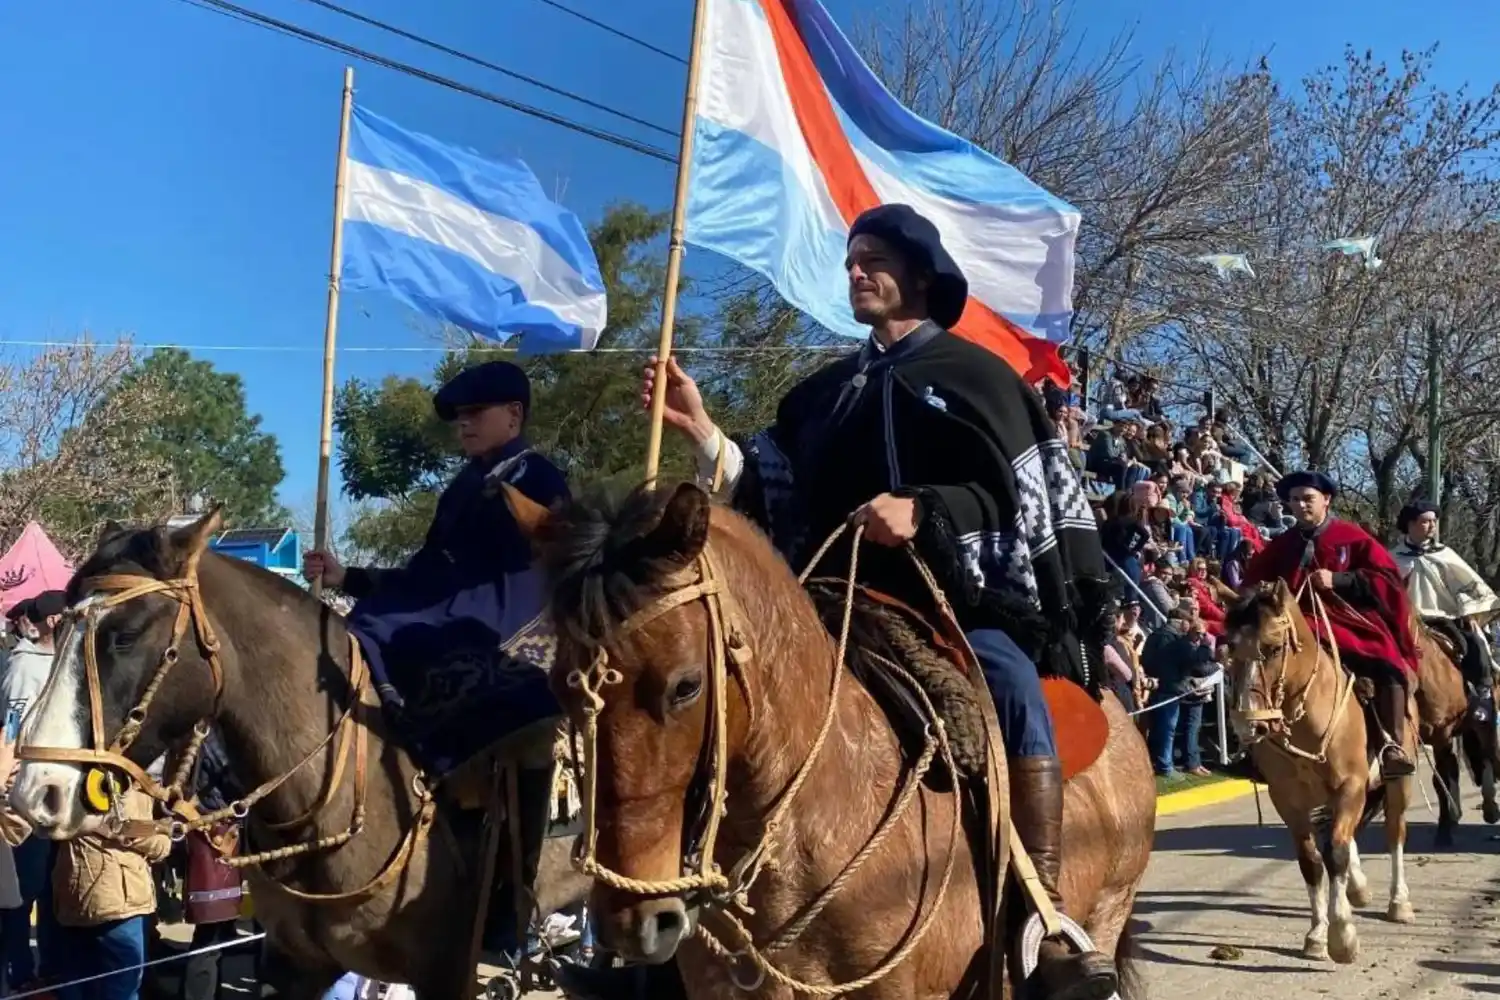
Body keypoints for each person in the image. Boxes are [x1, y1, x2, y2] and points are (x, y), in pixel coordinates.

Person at [601, 203, 1120, 1000]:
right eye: (850, 260)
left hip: (952, 602)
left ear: (919, 274)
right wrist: (703, 431)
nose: (856, 272)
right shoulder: (825, 394)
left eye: (873, 259)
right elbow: (773, 493)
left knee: (1011, 684)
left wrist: (928, 509)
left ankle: (1041, 917)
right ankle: (664, 929)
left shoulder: (976, 376)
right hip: (828, 604)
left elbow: (1024, 500)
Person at [302, 360, 569, 776]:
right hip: (449, 607)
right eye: (459, 418)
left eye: (475, 414)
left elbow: (555, 564)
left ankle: (420, 766)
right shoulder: (462, 486)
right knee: (365, 625)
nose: (463, 426)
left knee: (392, 631)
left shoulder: (539, 477)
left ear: (514, 415)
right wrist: (346, 577)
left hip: (509, 622)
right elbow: (426, 572)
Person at [1243, 471, 1419, 777]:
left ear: (1326, 500)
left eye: (1308, 499)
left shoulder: (1353, 537)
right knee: (1260, 664)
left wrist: (1339, 579)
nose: (1301, 505)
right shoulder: (1281, 545)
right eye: (1295, 500)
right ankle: (1259, 747)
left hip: (1347, 618)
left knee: (1387, 662)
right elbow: (1252, 583)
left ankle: (1391, 744)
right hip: (1296, 622)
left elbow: (1388, 579)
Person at [0, 591, 66, 993]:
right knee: (24, 890)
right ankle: (22, 971)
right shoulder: (26, 666)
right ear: (55, 621)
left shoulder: (64, 663)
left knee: (52, 890)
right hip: (29, 798)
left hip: (61, 797)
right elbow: (13, 729)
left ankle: (52, 966)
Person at [1389, 500, 1500, 721]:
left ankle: (1483, 695)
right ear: (1410, 524)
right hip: (1406, 620)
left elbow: (1467, 586)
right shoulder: (1392, 558)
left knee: (1475, 644)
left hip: (1443, 618)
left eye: (1433, 521)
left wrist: (1470, 613)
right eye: (1425, 521)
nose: (1431, 526)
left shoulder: (1444, 554)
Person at [1142, 605, 1218, 777]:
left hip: (1161, 685)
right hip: (1170, 687)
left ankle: (1162, 762)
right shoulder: (1175, 640)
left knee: (1161, 728)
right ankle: (1165, 766)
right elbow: (1195, 661)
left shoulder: (1157, 635)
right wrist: (1206, 647)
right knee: (1167, 728)